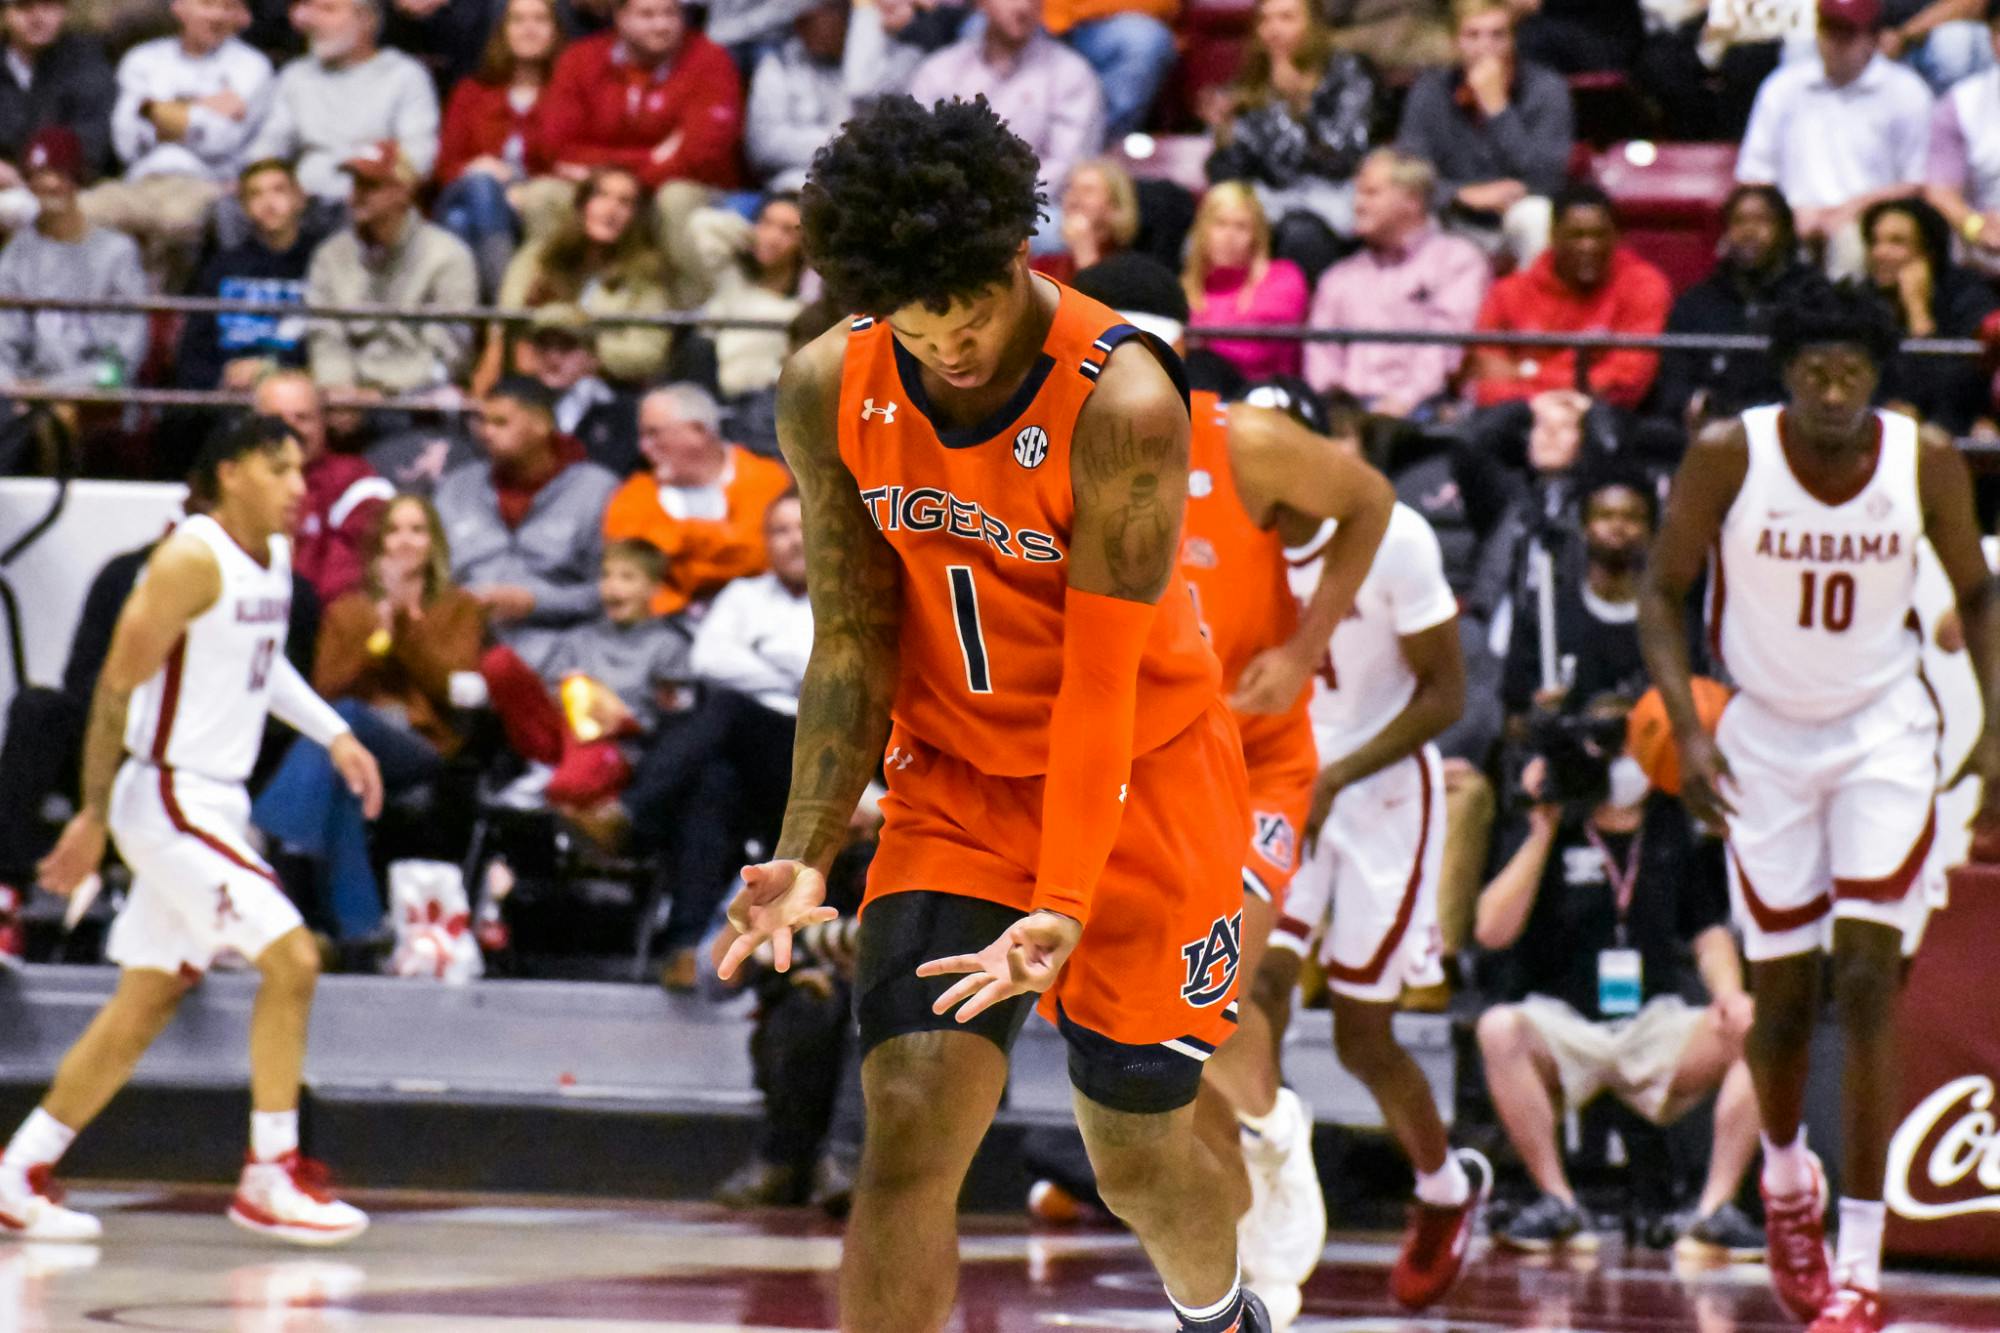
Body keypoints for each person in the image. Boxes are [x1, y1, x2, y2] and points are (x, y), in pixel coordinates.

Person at [712, 95, 1274, 1333]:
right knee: (908, 1121)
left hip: (1139, 788)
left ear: (1018, 252)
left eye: (966, 310)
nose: (948, 345)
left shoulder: (1123, 399)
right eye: (914, 324)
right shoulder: (829, 385)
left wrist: (1062, 899)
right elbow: (851, 638)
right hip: (958, 788)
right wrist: (805, 850)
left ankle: (1224, 1313)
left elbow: (1099, 683)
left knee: (1135, 1157)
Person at [1638, 283, 2000, 1333]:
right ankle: (1786, 1177)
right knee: (1784, 996)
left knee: (1870, 976)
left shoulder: (1923, 459)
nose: (1833, 390)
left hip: (1883, 733)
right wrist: (1688, 727)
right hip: (1762, 738)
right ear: (1784, 372)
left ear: (1877, 374)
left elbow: (1977, 593)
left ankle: (1860, 1261)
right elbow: (1660, 593)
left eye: (1851, 371)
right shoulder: (1728, 455)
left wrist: (1991, 732)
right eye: (1813, 371)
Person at [1070, 253, 1397, 1326]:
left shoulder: (1241, 441)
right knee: (1164, 1034)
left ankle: (1271, 1130)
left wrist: (1303, 649)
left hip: (1251, 764)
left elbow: (1370, 499)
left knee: (1215, 994)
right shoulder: (1056, 456)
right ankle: (1240, 1232)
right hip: (1133, 776)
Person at [4, 414, 382, 1244]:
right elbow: (113, 688)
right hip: (168, 794)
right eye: (279, 469)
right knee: (293, 958)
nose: (299, 486)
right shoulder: (186, 559)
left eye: (301, 470)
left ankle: (18, 1170)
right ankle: (270, 1172)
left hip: (216, 799)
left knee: (145, 999)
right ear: (231, 472)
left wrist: (334, 733)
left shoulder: (272, 557)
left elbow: (261, 668)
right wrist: (93, 816)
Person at [1260, 441, 1485, 1314]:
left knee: (1363, 1035)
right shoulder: (1234, 533)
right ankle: (1265, 1180)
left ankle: (1443, 1187)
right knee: (1255, 989)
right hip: (1282, 782)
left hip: (1384, 792)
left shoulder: (1399, 536)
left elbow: (1447, 696)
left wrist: (1338, 775)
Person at [1473, 703, 1764, 1257]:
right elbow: (1491, 930)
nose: (1628, 763)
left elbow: (1708, 932)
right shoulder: (1555, 819)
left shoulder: (1672, 822)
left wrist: (1729, 995)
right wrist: (1540, 835)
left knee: (1756, 1028)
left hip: (1654, 1023)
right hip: (1565, 1023)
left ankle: (1714, 1212)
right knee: (1498, 1029)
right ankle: (1557, 1202)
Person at [604, 489, 815, 987]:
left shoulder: (856, 596)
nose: (792, 541)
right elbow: (708, 660)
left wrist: (766, 664)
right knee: (711, 784)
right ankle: (687, 948)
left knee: (727, 708)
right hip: (749, 761)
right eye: (780, 531)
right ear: (766, 542)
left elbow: (833, 682)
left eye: (803, 528)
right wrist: (789, 671)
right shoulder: (744, 595)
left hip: (817, 755)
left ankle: (630, 815)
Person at [254, 493, 484, 942]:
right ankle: (361, 927)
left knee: (345, 723)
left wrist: (405, 630)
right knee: (345, 770)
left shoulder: (459, 608)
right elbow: (323, 691)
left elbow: (450, 689)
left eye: (417, 530)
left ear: (434, 542)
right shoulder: (347, 611)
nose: (405, 541)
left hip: (421, 743)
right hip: (355, 740)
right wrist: (375, 638)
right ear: (378, 545)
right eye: (394, 531)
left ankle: (266, 834)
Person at [526, 0, 744, 308]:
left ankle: (693, 319)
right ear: (620, 16)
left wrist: (613, 176)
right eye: (647, 14)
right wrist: (650, 159)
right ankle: (557, 312)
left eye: (670, 14)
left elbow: (702, 154)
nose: (661, 25)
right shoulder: (580, 59)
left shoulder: (710, 60)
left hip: (682, 187)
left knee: (676, 198)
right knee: (542, 195)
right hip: (613, 184)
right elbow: (554, 145)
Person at [479, 535, 692, 810]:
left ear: (654, 589)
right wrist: (562, 695)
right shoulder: (579, 637)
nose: (612, 586)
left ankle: (554, 786)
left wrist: (626, 720)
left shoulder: (668, 645)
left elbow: (676, 720)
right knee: (499, 662)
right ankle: (544, 769)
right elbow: (546, 695)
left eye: (627, 578)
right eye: (606, 576)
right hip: (560, 734)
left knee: (569, 785)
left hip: (614, 745)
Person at [1736, 0, 1934, 276]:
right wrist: (1789, 214)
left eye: (1846, 34)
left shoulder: (1907, 92)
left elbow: (1917, 182)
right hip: (1792, 217)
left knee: (1850, 244)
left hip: (1869, 221)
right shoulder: (1782, 87)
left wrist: (1853, 209)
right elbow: (1754, 174)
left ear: (1873, 39)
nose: (1834, 43)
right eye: (1828, 30)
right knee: (1754, 235)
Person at [85, 0, 273, 282]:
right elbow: (126, 140)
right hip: (141, 180)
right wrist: (203, 105)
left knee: (177, 221)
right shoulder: (143, 59)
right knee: (84, 211)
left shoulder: (251, 66)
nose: (218, 16)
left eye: (227, 7)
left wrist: (155, 110)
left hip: (207, 184)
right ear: (179, 7)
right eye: (207, 4)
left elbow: (220, 139)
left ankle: (160, 306)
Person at [906, 0, 1106, 256]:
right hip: (948, 203)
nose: (1023, 7)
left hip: (1032, 208)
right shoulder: (940, 70)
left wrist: (1000, 201)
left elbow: (1068, 164)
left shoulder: (1072, 74)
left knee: (1057, 230)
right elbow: (916, 148)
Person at [1304, 149, 1491, 420]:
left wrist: (1401, 402)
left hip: (1422, 410)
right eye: (1358, 193)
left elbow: (1444, 350)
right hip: (1348, 416)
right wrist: (1336, 409)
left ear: (1412, 201)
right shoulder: (1339, 276)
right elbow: (1322, 358)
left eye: (1371, 193)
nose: (1358, 204)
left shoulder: (1457, 261)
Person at [1394, 0, 1572, 267]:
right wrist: (1461, 194)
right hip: (1452, 215)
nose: (1485, 46)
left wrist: (1497, 108)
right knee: (1404, 211)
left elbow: (1548, 178)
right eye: (1473, 35)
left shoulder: (1547, 89)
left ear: (1513, 40)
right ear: (1455, 43)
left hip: (1513, 214)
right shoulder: (1430, 91)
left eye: (1497, 35)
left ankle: (1534, 293)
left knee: (1536, 214)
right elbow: (1411, 174)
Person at [1468, 183, 1673, 414]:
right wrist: (1550, 402)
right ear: (1553, 235)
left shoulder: (1643, 285)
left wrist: (1528, 373)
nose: (1588, 246)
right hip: (1519, 417)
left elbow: (1628, 381)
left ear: (1616, 236)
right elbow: (1487, 384)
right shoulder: (1507, 293)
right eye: (1576, 235)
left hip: (1602, 417)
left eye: (1599, 235)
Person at [1204, 0, 1377, 266]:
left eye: (1286, 18)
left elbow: (1341, 159)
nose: (1273, 29)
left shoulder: (1348, 71)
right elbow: (1226, 175)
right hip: (1267, 200)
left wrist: (1293, 105)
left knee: (1300, 233)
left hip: (1333, 200)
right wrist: (1224, 135)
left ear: (1313, 25)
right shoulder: (1250, 83)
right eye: (1265, 20)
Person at [600, 383, 795, 616]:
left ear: (697, 431)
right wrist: (725, 548)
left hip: (765, 615)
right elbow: (629, 572)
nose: (643, 447)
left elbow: (764, 557)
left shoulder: (768, 479)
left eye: (654, 433)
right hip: (668, 623)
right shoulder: (633, 495)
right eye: (642, 435)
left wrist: (679, 543)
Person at [305, 141, 479, 398]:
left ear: (404, 191)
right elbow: (325, 335)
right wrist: (338, 386)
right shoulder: (331, 255)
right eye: (355, 185)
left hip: (418, 394)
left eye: (371, 186)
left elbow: (449, 352)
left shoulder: (447, 255)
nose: (356, 196)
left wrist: (384, 394)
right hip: (347, 395)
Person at [482, 166, 674, 392]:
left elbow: (650, 352)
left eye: (625, 202)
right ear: (582, 204)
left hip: (605, 386)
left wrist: (592, 354)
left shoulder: (645, 275)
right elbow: (508, 319)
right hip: (531, 376)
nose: (611, 210)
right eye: (602, 196)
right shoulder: (539, 257)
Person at [1656, 184, 1823, 433]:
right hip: (1708, 429)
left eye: (1762, 220)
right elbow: (1674, 376)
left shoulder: (1814, 298)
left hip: (1790, 428)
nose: (1749, 231)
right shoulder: (1698, 301)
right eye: (1739, 221)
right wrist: (1692, 402)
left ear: (1785, 231)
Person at [1500, 465, 1660, 722]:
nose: (1618, 526)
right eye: (1605, 515)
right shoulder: (1544, 612)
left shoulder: (1672, 618)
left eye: (1632, 517)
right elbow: (1513, 719)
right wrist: (1540, 716)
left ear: (1650, 531)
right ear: (1585, 526)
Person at [247, 0, 439, 205]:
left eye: (327, 10)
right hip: (304, 205)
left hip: (373, 199)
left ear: (366, 20)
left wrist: (379, 187)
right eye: (313, 9)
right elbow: (268, 145)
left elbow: (418, 157)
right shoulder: (296, 76)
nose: (314, 20)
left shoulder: (404, 75)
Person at [432, 0, 563, 297]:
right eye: (518, 20)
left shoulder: (565, 93)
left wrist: (524, 190)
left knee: (459, 222)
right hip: (465, 188)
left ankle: (470, 318)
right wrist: (473, 168)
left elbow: (568, 160)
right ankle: (507, 302)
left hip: (528, 202)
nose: (529, 29)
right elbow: (443, 168)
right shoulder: (472, 91)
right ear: (502, 31)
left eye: (540, 20)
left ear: (556, 31)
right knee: (482, 184)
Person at [0, 128, 147, 392]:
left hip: (97, 399)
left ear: (78, 178)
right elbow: (3, 343)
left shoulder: (117, 252)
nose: (50, 184)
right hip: (23, 398)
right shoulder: (17, 254)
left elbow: (120, 363)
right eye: (39, 175)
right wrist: (11, 387)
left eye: (59, 173)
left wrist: (53, 390)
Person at [174, 160, 317, 395]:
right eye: (255, 194)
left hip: (298, 388)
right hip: (228, 394)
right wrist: (221, 376)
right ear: (244, 206)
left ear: (299, 198)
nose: (268, 203)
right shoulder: (221, 267)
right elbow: (195, 346)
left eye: (278, 190)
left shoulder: (321, 262)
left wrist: (272, 368)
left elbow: (329, 342)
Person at [1859, 195, 2000, 433]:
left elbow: (1960, 390)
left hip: (1955, 423)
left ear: (1928, 252)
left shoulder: (1968, 296)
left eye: (1896, 242)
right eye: (1874, 241)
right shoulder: (1861, 301)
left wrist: (1919, 313)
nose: (1879, 252)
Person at [690, 191, 812, 447]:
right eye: (766, 223)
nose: (773, 236)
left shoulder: (799, 308)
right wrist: (752, 237)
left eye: (787, 231)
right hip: (707, 391)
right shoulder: (733, 280)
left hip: (758, 407)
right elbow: (702, 224)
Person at [1182, 182, 1310, 384]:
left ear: (1257, 236)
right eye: (1220, 224)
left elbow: (1256, 352)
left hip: (1266, 392)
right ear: (1202, 230)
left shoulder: (1283, 277)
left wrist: (1202, 341)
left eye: (1241, 227)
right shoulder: (1183, 289)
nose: (1229, 236)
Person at [1923, 2, 2000, 276]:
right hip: (1983, 263)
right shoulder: (1961, 104)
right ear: (1992, 39)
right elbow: (1940, 191)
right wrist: (1974, 225)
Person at [0, 0, 114, 184]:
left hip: (70, 185)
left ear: (64, 11)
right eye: (24, 7)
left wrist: (35, 173)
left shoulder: (86, 61)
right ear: (4, 15)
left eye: (49, 6)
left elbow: (92, 141)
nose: (38, 18)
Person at [743, 0, 851, 192]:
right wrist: (837, 142)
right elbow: (765, 145)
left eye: (843, 14)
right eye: (800, 20)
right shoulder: (778, 66)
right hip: (793, 180)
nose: (843, 22)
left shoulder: (862, 67)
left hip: (853, 178)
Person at [521, 304, 640, 477]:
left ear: (593, 355)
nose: (552, 357)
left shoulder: (623, 411)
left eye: (566, 346)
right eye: (543, 346)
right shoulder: (518, 405)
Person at [1036, 158, 1141, 285]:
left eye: (1088, 190)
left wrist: (1084, 250)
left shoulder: (1132, 270)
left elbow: (1101, 295)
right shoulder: (1043, 265)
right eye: (1070, 189)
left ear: (1114, 205)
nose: (1074, 197)